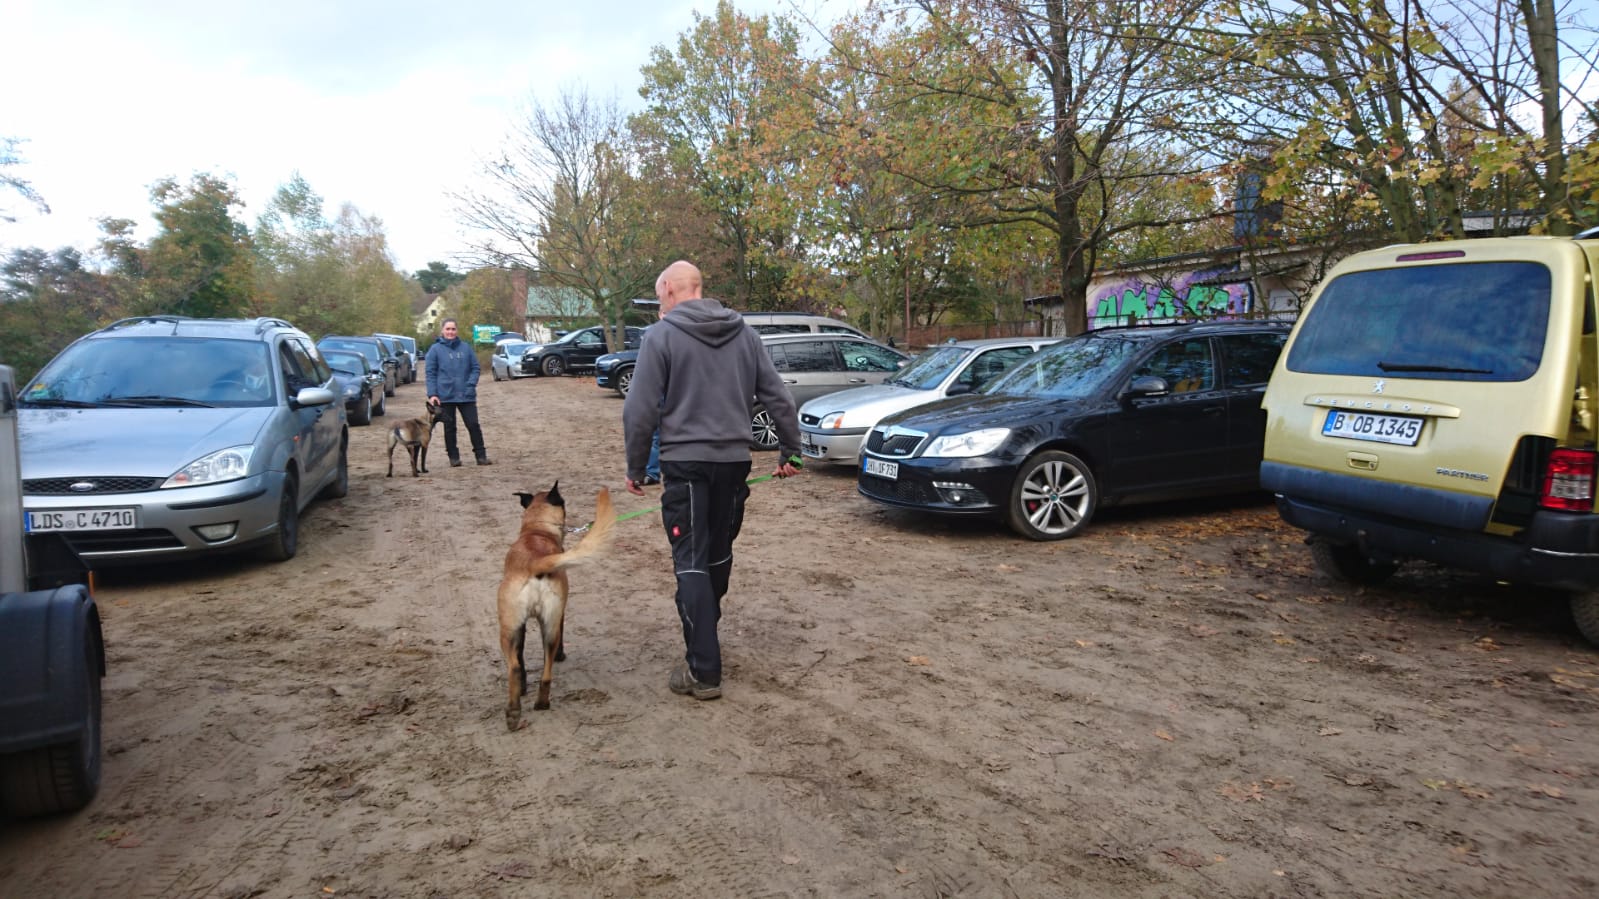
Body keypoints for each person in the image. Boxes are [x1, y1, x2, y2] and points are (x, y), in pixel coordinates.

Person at [623, 260, 802, 701]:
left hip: (685, 464)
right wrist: (791, 449)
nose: (660, 303)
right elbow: (778, 396)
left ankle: (703, 669)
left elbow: (639, 408)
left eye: (659, 295)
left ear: (669, 289)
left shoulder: (660, 336)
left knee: (691, 558)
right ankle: (705, 634)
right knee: (717, 552)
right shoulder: (746, 335)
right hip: (733, 463)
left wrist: (635, 468)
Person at [424, 318, 492, 466]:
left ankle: (481, 456)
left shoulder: (466, 348)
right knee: (450, 427)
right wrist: (433, 394)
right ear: (442, 330)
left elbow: (475, 368)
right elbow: (430, 373)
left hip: (466, 395)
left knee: (473, 424)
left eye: (453, 329)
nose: (450, 332)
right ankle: (453, 458)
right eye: (448, 329)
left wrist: (471, 384)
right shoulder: (435, 350)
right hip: (445, 396)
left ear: (457, 330)